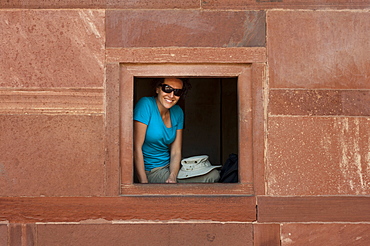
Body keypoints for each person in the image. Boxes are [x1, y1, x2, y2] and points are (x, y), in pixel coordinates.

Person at [133, 78, 220, 183]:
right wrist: (144, 184)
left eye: (177, 92)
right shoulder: (145, 104)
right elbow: (136, 148)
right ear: (157, 89)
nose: (171, 95)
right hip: (152, 170)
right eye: (167, 89)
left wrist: (172, 176)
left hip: (172, 167)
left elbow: (176, 151)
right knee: (208, 178)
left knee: (214, 174)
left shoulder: (178, 112)